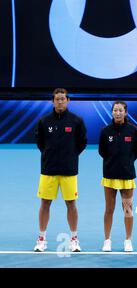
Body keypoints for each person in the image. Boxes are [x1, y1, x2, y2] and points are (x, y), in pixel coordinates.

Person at [34, 88, 87, 252]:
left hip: (69, 169)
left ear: (68, 100)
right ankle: (41, 238)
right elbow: (40, 143)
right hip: (48, 169)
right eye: (57, 99)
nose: (60, 102)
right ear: (52, 101)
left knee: (71, 203)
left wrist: (70, 155)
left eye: (63, 99)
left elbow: (82, 143)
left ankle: (74, 238)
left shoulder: (76, 121)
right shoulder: (44, 121)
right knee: (45, 203)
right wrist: (50, 155)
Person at [98, 101, 137, 252]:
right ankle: (107, 240)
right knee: (109, 209)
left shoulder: (133, 130)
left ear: (125, 112)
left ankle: (128, 240)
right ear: (112, 112)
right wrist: (113, 162)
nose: (118, 113)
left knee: (128, 209)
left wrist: (127, 162)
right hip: (109, 175)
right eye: (115, 110)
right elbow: (102, 151)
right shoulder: (105, 131)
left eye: (120, 110)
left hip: (127, 175)